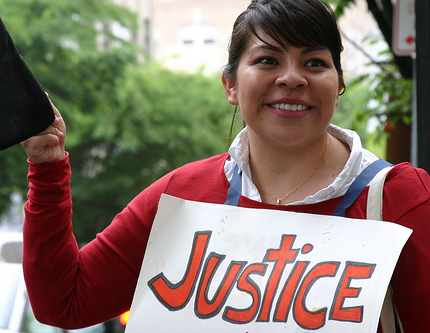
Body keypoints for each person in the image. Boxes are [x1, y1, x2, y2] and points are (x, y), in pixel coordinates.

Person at [21, 0, 430, 332]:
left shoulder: (402, 199)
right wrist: (48, 167)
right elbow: (64, 302)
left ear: (338, 84)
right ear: (230, 85)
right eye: (268, 60)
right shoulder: (180, 195)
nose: (292, 78)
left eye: (315, 63)